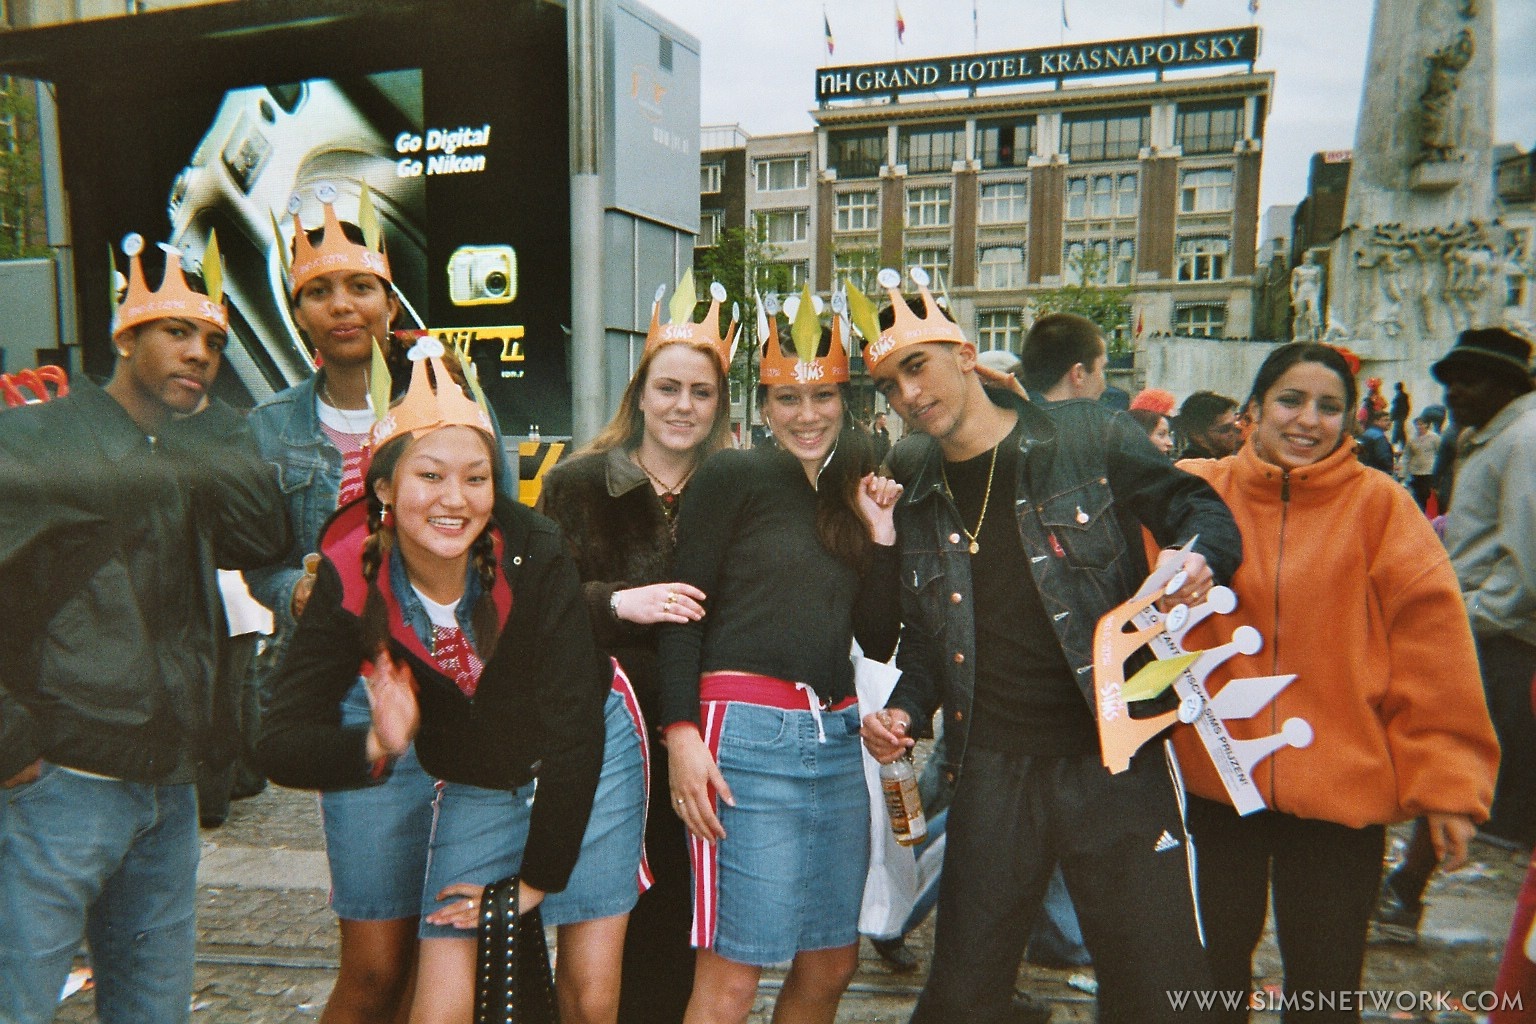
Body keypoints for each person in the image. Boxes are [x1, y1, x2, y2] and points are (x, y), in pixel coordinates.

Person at [859, 274, 1241, 1024]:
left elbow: (1196, 507)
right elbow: (928, 638)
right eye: (888, 384)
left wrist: (1197, 554)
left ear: (965, 355)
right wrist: (903, 710)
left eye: (917, 366)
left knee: (1156, 989)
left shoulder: (1087, 435)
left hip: (1114, 754)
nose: (907, 394)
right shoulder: (913, 474)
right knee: (963, 994)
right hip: (990, 766)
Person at [257, 340, 609, 1023]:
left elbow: (576, 726)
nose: (455, 500)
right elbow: (279, 741)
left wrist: (536, 878)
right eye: (430, 475)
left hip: (542, 759)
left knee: (538, 983)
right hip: (454, 760)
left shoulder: (533, 549)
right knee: (386, 976)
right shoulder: (349, 571)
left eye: (476, 478)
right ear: (384, 488)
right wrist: (376, 743)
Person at [0, 234, 290, 1023]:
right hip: (61, 784)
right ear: (125, 337)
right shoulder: (36, 440)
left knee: (153, 1013)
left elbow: (264, 538)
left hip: (168, 789)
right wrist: (11, 743)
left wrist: (212, 423)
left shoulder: (186, 446)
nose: (199, 354)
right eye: (177, 333)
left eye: (213, 344)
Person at [1173, 341, 1498, 1021]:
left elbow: (1433, 654)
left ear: (1349, 420)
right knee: (1205, 980)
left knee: (1325, 987)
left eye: (1328, 407)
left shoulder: (1382, 507)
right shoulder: (1194, 491)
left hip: (1341, 793)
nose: (1307, 420)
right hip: (1214, 786)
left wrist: (1448, 785)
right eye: (1290, 400)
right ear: (1253, 410)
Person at [658, 286, 902, 1024]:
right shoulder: (733, 475)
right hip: (743, 737)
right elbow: (682, 608)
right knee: (734, 973)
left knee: (832, 962)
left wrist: (881, 534)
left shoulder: (854, 485)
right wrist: (681, 734)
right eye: (787, 399)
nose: (806, 415)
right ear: (763, 406)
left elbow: (879, 636)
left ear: (845, 400)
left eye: (822, 397)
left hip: (835, 738)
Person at [247, 185, 446, 1024]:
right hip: (351, 697)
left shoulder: (444, 396)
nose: (342, 306)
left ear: (388, 300)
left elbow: (500, 526)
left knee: (441, 953)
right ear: (297, 311)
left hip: (451, 694)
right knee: (373, 963)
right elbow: (257, 561)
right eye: (319, 291)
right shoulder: (269, 427)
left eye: (360, 287)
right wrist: (289, 590)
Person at [536, 280, 737, 1024]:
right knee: (604, 925)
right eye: (668, 388)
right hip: (607, 737)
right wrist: (618, 602)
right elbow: (533, 607)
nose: (684, 405)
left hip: (708, 733)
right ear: (641, 396)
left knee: (687, 912)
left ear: (719, 404)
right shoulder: (578, 484)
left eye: (701, 392)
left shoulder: (736, 488)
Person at [1378, 328, 1536, 945]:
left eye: (1470, 381)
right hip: (1487, 627)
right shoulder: (1495, 436)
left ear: (1506, 385)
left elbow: (1526, 560)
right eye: (1450, 381)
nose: (1454, 393)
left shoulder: (1524, 439)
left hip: (1499, 637)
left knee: (1455, 757)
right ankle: (1404, 891)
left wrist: (1468, 615)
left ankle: (1404, 897)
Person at [1177, 389, 1242, 459]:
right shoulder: (1192, 464)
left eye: (1237, 423)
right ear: (1198, 436)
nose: (1238, 431)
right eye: (1225, 429)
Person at [1403, 412, 1442, 511]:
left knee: (1427, 494)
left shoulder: (1434, 437)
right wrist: (1404, 472)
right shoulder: (1412, 439)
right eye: (1417, 424)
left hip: (1429, 471)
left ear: (1427, 425)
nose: (1419, 427)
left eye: (1422, 424)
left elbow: (1440, 453)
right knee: (1417, 495)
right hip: (1415, 471)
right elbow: (1407, 455)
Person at [1357, 407, 1396, 474]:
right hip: (1377, 472)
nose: (1389, 423)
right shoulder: (1379, 436)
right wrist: (1391, 467)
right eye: (1385, 420)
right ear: (1376, 422)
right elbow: (1384, 456)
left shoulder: (1367, 432)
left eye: (1390, 420)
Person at [1390, 380, 1412, 448]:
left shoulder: (1398, 397)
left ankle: (1394, 444)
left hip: (1398, 416)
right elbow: (1408, 407)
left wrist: (1391, 417)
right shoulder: (1404, 396)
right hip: (1402, 416)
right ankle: (1403, 444)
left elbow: (1396, 408)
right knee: (1400, 430)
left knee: (1397, 430)